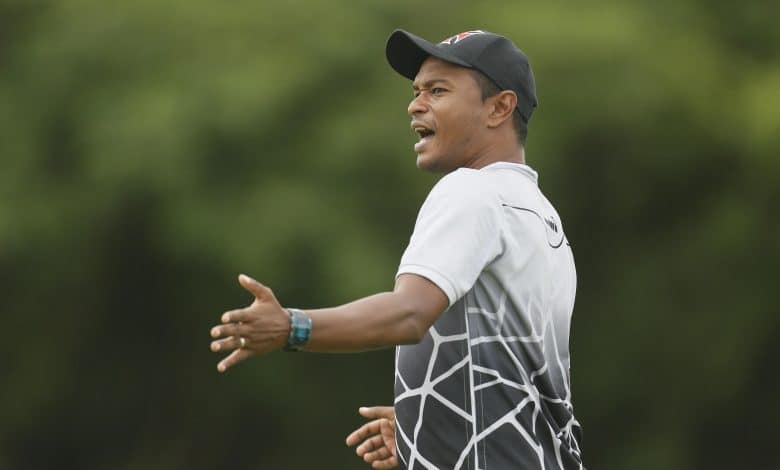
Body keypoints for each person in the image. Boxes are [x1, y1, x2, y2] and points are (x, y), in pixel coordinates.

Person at [210, 29, 585, 470]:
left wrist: (293, 327)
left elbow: (410, 313)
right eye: (416, 91)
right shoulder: (542, 217)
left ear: (499, 107)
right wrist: (433, 423)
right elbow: (521, 380)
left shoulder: (472, 191)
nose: (415, 105)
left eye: (438, 91)